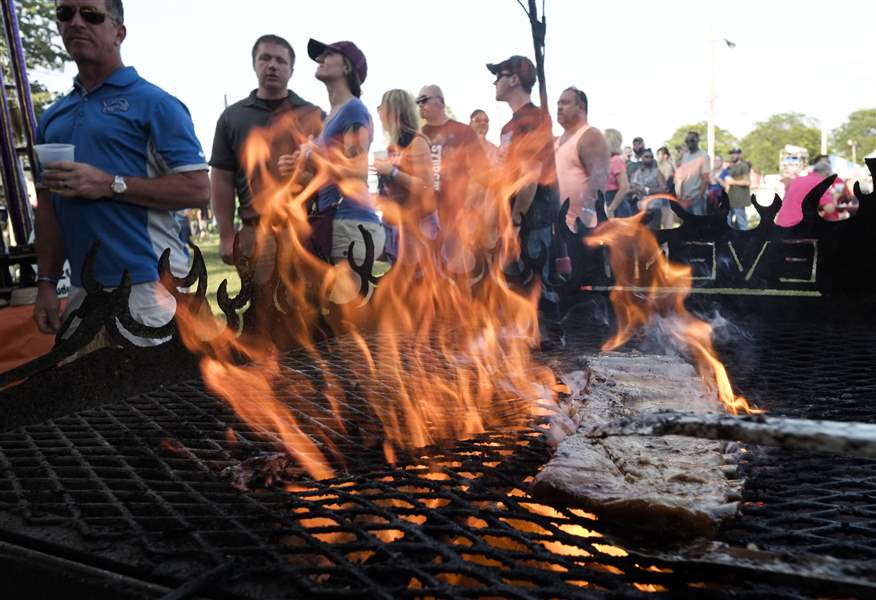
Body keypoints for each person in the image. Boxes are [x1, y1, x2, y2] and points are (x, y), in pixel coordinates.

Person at [34, 0, 209, 342]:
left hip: (150, 288)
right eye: (65, 14)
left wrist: (109, 184)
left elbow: (198, 189)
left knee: (164, 397)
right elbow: (48, 211)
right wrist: (46, 283)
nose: (77, 22)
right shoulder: (53, 116)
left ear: (119, 32)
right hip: (83, 293)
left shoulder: (156, 104)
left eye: (91, 14)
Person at [210, 34, 322, 274]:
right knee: (261, 309)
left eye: (281, 61)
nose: (272, 65)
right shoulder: (232, 118)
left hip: (304, 229)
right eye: (265, 58)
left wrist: (305, 174)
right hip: (255, 231)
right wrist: (227, 234)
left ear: (291, 70)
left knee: (309, 309)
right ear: (254, 64)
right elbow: (221, 180)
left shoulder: (314, 116)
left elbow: (332, 176)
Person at [278, 39, 383, 264]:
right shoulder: (331, 117)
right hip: (336, 220)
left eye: (328, 54)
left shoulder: (353, 110)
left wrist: (314, 156)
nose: (320, 59)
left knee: (348, 300)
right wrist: (298, 167)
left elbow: (358, 175)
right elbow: (326, 178)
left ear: (346, 67)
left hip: (352, 222)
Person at [488, 54, 560, 303]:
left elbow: (530, 176)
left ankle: (543, 339)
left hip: (532, 221)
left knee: (535, 289)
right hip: (516, 219)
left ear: (514, 79)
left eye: (499, 76)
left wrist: (516, 222)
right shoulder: (510, 125)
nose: (494, 82)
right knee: (515, 287)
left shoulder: (533, 119)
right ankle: (524, 337)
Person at [372, 89, 436, 260]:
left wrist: (391, 172)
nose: (378, 113)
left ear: (393, 111)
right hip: (397, 227)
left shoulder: (417, 142)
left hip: (418, 228)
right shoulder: (392, 148)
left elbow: (426, 186)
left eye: (381, 108)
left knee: (419, 283)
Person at [417, 84, 489, 232]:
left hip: (457, 218)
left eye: (424, 100)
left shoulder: (463, 132)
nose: (420, 105)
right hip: (426, 219)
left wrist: (467, 207)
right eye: (418, 101)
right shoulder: (418, 136)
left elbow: (483, 173)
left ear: (441, 102)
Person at [554, 87, 609, 229]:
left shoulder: (590, 135)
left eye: (565, 103)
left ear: (581, 107)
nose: (559, 107)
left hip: (584, 227)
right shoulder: (558, 141)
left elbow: (598, 179)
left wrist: (585, 217)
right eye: (558, 104)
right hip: (563, 226)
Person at [630, 148, 670, 228]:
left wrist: (647, 190)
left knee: (654, 233)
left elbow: (663, 189)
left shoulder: (657, 172)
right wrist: (637, 190)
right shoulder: (637, 173)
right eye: (647, 156)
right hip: (640, 207)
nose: (649, 159)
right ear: (642, 158)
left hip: (654, 207)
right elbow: (634, 187)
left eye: (651, 157)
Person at [674, 131, 710, 215]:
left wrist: (699, 196)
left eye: (692, 140)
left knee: (698, 225)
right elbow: (683, 177)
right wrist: (681, 196)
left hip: (697, 199)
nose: (689, 142)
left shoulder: (703, 155)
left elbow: (705, 178)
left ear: (697, 140)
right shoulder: (685, 156)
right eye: (687, 140)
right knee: (687, 224)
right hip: (685, 198)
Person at [720, 148, 752, 228]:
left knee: (741, 223)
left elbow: (747, 182)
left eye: (735, 153)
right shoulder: (728, 168)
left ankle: (744, 240)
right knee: (728, 223)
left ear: (740, 155)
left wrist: (733, 182)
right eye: (731, 153)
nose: (733, 155)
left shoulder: (743, 166)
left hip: (739, 200)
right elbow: (725, 183)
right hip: (729, 199)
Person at [604, 129, 632, 218]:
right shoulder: (606, 161)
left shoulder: (616, 160)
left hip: (616, 206)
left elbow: (624, 187)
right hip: (606, 202)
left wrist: (611, 209)